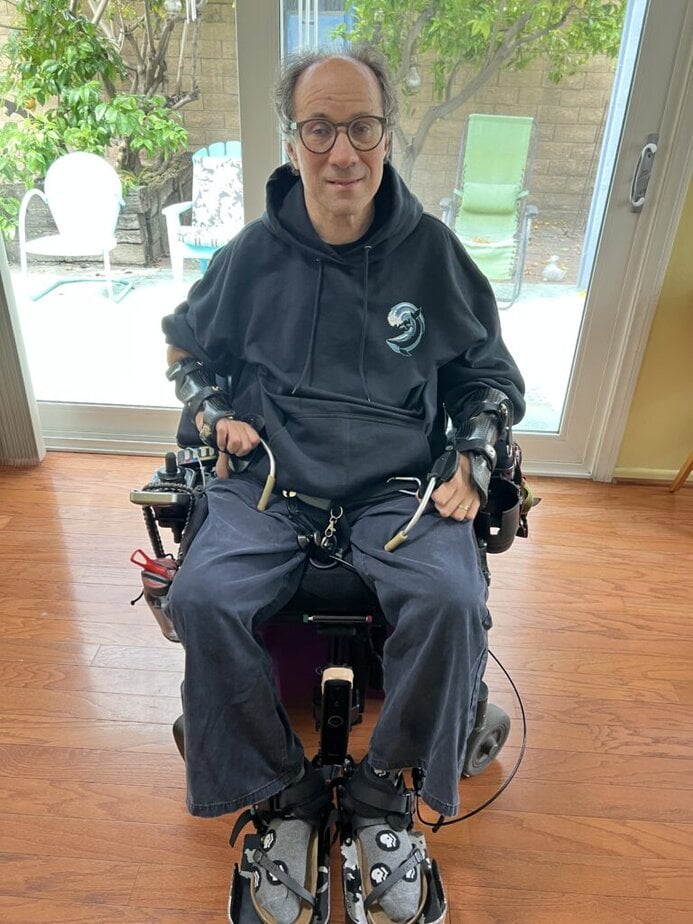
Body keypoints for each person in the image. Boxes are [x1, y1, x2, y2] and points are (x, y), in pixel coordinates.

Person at [161, 45, 525, 924]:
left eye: (360, 127)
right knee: (203, 596)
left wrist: (473, 450)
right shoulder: (251, 255)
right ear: (293, 143)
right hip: (271, 480)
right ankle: (278, 793)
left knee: (449, 600)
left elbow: (487, 377)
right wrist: (212, 413)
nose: (341, 152)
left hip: (397, 486)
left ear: (386, 136)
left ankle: (380, 793)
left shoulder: (431, 253)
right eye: (319, 128)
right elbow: (187, 349)